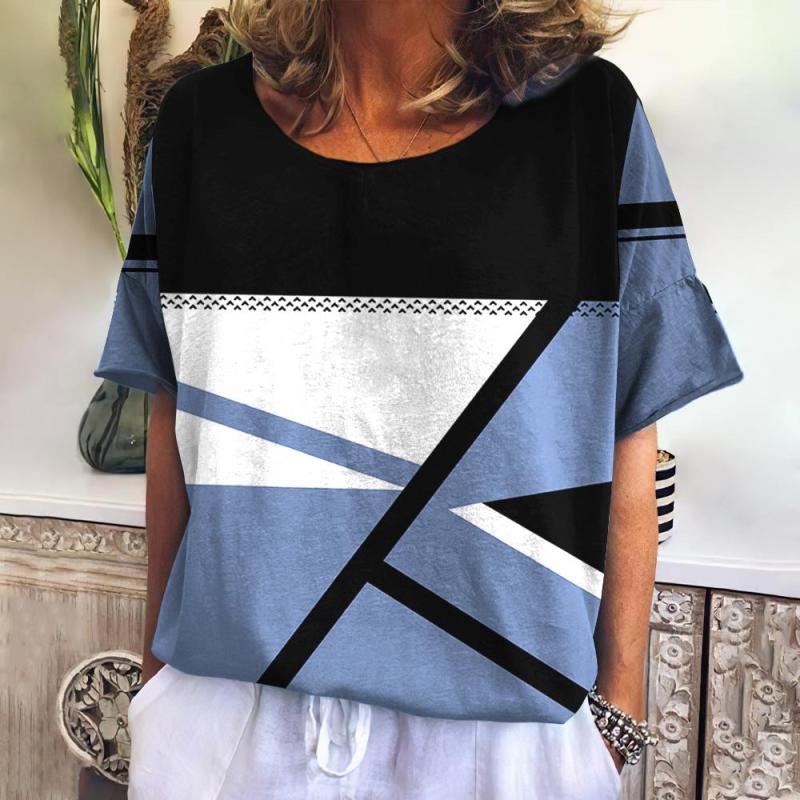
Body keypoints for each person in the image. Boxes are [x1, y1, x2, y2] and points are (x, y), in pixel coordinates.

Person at [93, 1, 744, 797]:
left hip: (501, 743)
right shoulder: (200, 125)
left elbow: (630, 414)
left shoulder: (589, 119)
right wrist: (158, 683)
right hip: (229, 721)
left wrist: (617, 711)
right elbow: (172, 410)